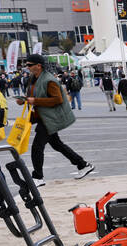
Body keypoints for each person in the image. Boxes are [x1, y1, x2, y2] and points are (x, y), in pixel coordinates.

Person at [17, 54, 94, 186]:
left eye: (29, 65)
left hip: (49, 119)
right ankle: (83, 165)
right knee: (57, 144)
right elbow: (33, 95)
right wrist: (24, 99)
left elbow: (57, 99)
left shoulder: (49, 80)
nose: (27, 67)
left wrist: (35, 101)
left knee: (37, 147)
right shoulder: (33, 78)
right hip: (42, 117)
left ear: (38, 66)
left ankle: (38, 177)